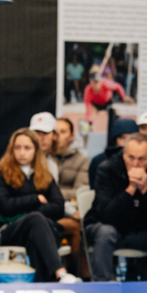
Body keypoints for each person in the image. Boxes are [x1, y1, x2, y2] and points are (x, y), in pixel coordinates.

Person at [0, 128, 81, 284]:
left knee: (37, 228)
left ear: (35, 151)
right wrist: (36, 199)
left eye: (27, 148)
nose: (22, 152)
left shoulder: (44, 174)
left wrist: (26, 208)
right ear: (11, 150)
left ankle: (42, 287)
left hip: (40, 231)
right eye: (17, 148)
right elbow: (5, 206)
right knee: (36, 219)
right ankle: (60, 273)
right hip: (11, 231)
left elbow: (58, 207)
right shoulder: (1, 173)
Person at [84, 133, 147, 281]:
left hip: (144, 231)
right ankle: (100, 286)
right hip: (113, 229)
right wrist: (130, 190)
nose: (135, 164)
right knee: (105, 232)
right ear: (124, 154)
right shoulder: (107, 169)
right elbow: (105, 215)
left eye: (141, 159)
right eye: (131, 157)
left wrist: (146, 191)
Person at [55, 117, 90, 278]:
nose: (58, 136)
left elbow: (79, 191)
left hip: (70, 212)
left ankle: (79, 277)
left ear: (71, 136)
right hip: (49, 212)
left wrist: (53, 193)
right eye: (55, 132)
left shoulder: (81, 160)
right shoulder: (41, 157)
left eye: (63, 132)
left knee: (78, 227)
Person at [83, 65, 134, 137]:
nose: (96, 85)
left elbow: (118, 87)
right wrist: (89, 121)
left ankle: (114, 134)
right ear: (90, 81)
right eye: (94, 82)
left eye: (97, 82)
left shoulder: (105, 83)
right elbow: (87, 108)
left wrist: (123, 97)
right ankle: (88, 135)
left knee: (113, 117)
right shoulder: (88, 90)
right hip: (96, 104)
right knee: (88, 120)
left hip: (107, 102)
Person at [88, 118, 138, 189]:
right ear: (115, 140)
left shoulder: (142, 162)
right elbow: (97, 192)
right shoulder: (99, 162)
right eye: (123, 138)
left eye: (131, 138)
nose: (127, 143)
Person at [28, 112, 60, 182]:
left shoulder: (54, 161)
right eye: (36, 132)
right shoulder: (23, 161)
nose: (40, 138)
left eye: (45, 133)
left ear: (54, 135)